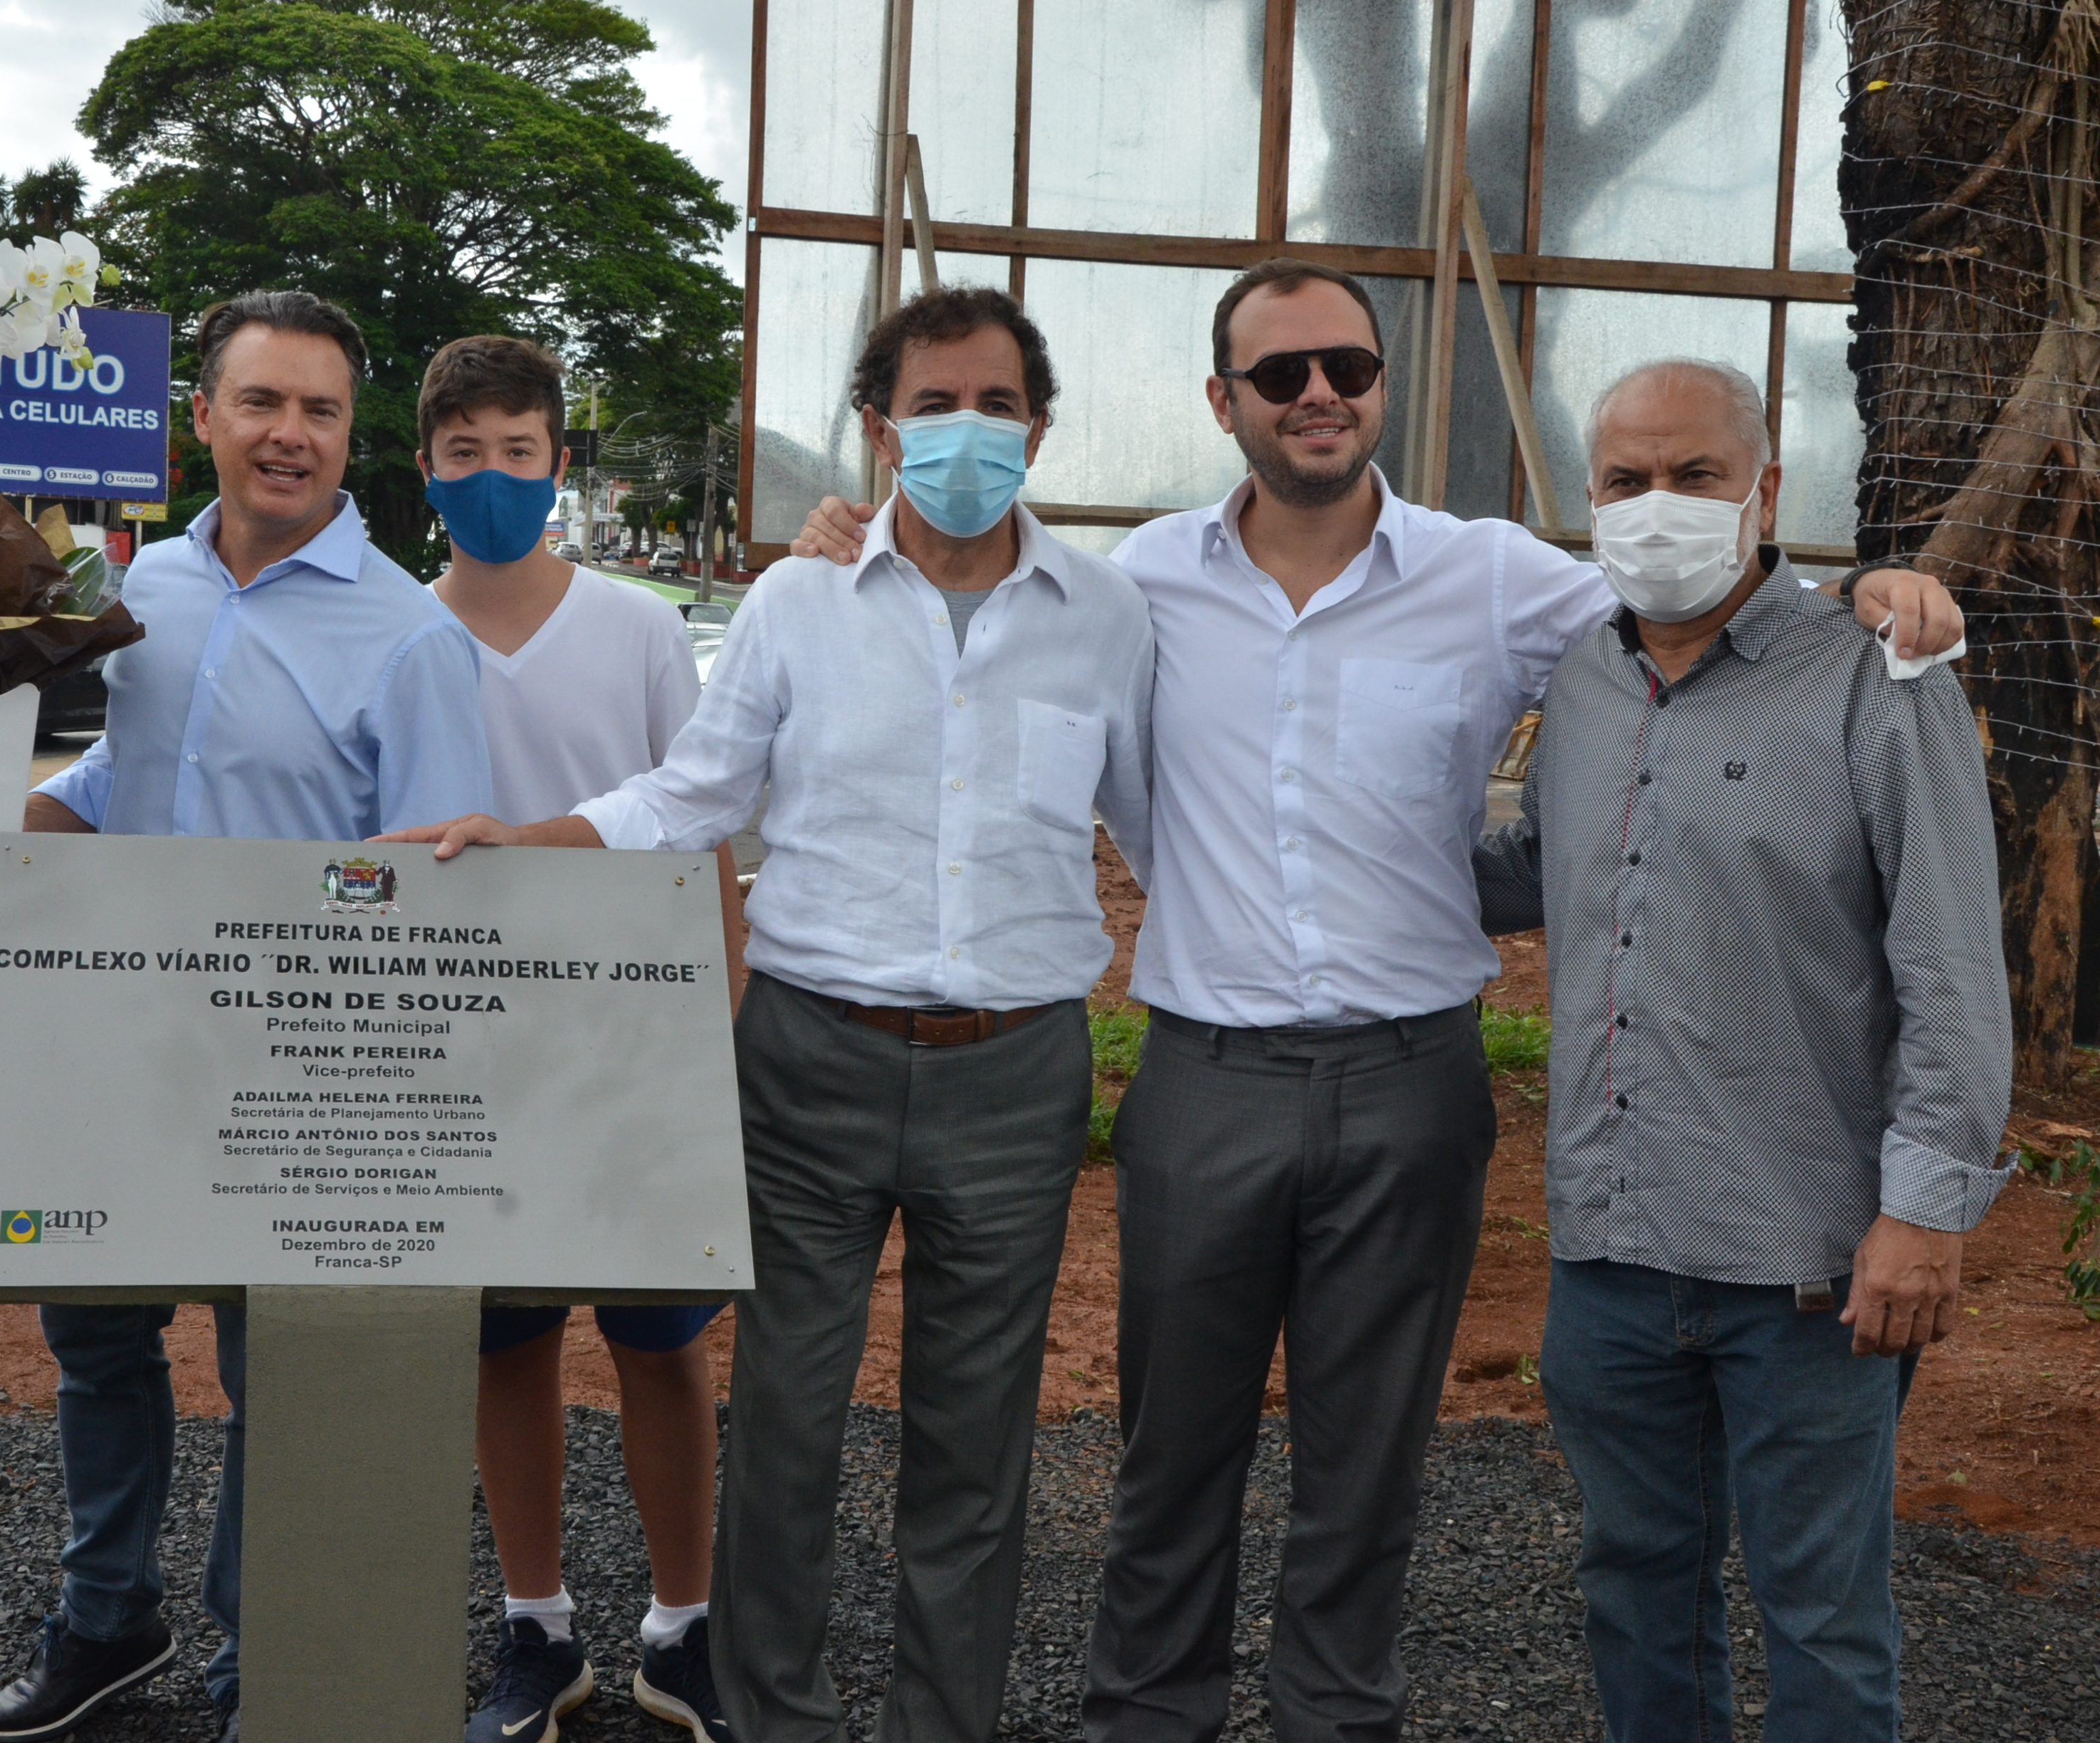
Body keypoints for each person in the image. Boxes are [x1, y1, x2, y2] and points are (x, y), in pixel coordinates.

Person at [787, 258, 1966, 1743]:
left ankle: (1335, 1719)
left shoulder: (1495, 576)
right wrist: (849, 534)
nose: (1319, 395)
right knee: (1173, 1455)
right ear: (1224, 402)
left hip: (1413, 1088)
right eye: (1280, 374)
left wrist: (1861, 587)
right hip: (1204, 1079)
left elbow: (1700, 605)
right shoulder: (1130, 585)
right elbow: (962, 614)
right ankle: (1148, 1715)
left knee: (1367, 1464)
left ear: (1381, 387)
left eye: (1346, 365)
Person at [387, 286, 1155, 1743]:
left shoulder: (1108, 615)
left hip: (1016, 1075)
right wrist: (532, 837)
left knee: (973, 1445)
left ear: (1041, 428)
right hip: (813, 1060)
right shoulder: (802, 602)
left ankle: (947, 1722)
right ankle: (777, 1716)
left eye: (998, 405)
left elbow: (1165, 833)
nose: (966, 433)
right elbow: (694, 795)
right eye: (932, 406)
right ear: (878, 430)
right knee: (792, 1421)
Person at [0, 291, 494, 1743]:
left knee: (287, 1371)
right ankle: (105, 1623)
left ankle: (267, 1657)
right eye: (262, 402)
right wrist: (2, 822)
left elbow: (435, 892)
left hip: (299, 1072)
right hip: (120, 1054)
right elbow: (120, 782)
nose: (290, 436)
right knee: (100, 1346)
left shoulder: (410, 638)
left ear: (349, 436)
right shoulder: (139, 590)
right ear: (202, 416)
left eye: (320, 411)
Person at [1469, 357, 2010, 1742]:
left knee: (1822, 1613)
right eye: (1627, 482)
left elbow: (1949, 964)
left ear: (1766, 490)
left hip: (1809, 1266)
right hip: (1611, 1252)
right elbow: (1540, 870)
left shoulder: (1877, 675)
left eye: (1697, 477)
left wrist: (1922, 1214)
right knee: (1637, 1588)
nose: (1660, 507)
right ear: (1589, 501)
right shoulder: (1583, 684)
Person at [415, 333, 747, 1743]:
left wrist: (716, 1021)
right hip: (469, 1053)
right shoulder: (396, 628)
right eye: (464, 451)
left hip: (635, 1043)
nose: (495, 475)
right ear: (424, 465)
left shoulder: (640, 628)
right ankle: (539, 1629)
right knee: (508, 1343)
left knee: (662, 1343)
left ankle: (688, 1624)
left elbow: (707, 822)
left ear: (561, 459)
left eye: (521, 449)